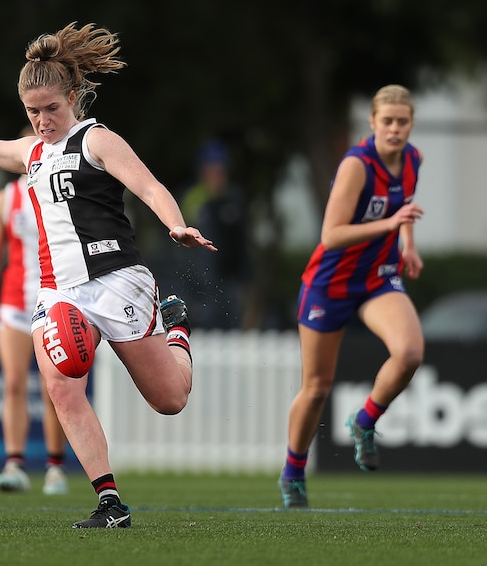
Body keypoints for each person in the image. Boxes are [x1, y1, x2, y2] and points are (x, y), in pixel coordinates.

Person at [0, 22, 216, 528]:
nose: (43, 119)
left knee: (170, 400)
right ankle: (109, 502)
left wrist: (176, 224)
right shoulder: (30, 152)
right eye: (33, 111)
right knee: (61, 385)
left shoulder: (95, 139)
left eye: (51, 108)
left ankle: (176, 329)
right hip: (57, 291)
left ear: (73, 97)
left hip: (118, 279)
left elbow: (149, 185)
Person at [278, 84, 425, 509]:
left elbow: (406, 205)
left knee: (410, 352)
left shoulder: (414, 158)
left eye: (403, 121)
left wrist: (408, 243)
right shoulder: (357, 165)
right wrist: (391, 225)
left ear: (411, 123)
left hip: (378, 277)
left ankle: (364, 423)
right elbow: (332, 235)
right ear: (373, 123)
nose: (396, 129)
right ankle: (293, 471)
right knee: (317, 387)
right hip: (331, 282)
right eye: (388, 121)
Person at [0, 126, 69, 495]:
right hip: (14, 303)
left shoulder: (61, 192)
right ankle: (14, 464)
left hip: (54, 298)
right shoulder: (5, 199)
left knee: (53, 386)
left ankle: (55, 468)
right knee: (13, 383)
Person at [179, 140, 250, 329]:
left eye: (220, 171)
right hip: (200, 281)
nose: (216, 176)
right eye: (212, 170)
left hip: (230, 278)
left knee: (231, 323)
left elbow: (241, 241)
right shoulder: (194, 197)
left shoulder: (234, 198)